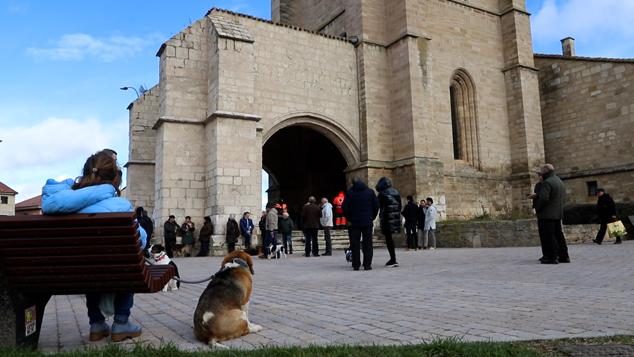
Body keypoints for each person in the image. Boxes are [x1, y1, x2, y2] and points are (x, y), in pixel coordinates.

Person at [41, 149, 145, 342]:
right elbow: (140, 241)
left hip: (74, 273)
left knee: (88, 265)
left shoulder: (56, 204)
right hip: (115, 270)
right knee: (127, 263)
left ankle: (96, 324)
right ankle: (121, 322)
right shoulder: (120, 206)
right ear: (114, 178)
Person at [534, 164, 570, 264]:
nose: (540, 173)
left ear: (545, 171)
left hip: (547, 214)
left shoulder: (547, 182)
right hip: (557, 213)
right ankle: (564, 256)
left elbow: (544, 198)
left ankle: (552, 257)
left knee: (549, 236)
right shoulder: (559, 181)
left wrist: (538, 207)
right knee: (559, 235)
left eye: (541, 171)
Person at [342, 177, 379, 270]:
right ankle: (367, 265)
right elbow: (376, 206)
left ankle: (356, 264)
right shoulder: (370, 192)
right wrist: (372, 217)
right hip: (367, 222)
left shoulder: (350, 193)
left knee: (355, 244)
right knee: (368, 244)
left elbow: (345, 207)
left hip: (354, 223)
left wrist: (349, 218)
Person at [375, 177, 402, 267]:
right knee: (390, 238)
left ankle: (393, 259)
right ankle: (393, 259)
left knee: (388, 239)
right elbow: (399, 206)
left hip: (386, 218)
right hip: (394, 218)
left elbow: (378, 206)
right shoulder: (396, 192)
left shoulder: (382, 194)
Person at [527, 173, 546, 261]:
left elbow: (544, 197)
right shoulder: (538, 185)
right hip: (539, 211)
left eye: (540, 176)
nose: (539, 177)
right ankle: (545, 254)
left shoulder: (547, 184)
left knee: (548, 234)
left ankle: (550, 254)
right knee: (543, 234)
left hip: (545, 212)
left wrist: (536, 195)